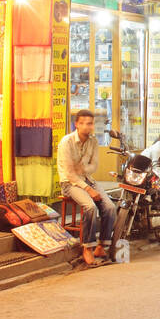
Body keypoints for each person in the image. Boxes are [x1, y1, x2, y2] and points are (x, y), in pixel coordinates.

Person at [57, 109, 115, 266]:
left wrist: (83, 170)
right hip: (69, 184)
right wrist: (88, 189)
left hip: (88, 179)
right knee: (90, 207)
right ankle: (87, 248)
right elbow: (69, 174)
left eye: (91, 123)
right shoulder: (66, 142)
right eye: (85, 123)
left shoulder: (93, 142)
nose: (89, 127)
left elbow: (94, 166)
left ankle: (102, 246)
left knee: (110, 207)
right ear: (77, 124)